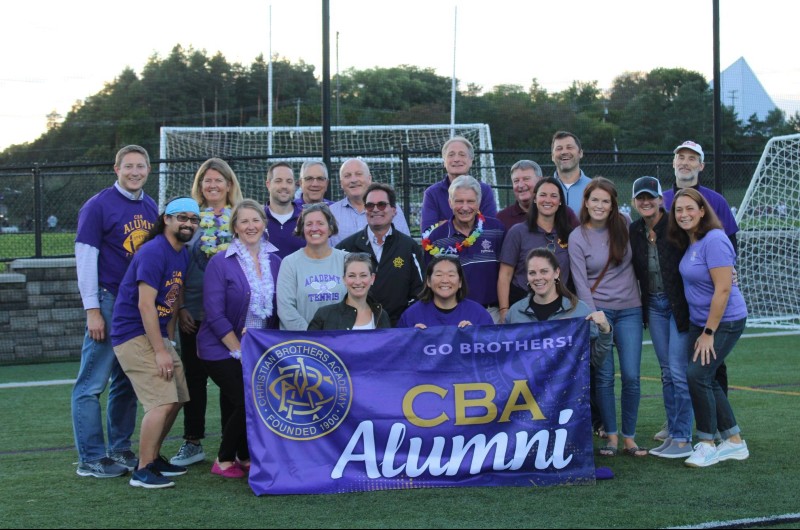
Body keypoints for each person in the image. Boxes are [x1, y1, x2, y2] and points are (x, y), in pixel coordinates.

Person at [72, 145, 158, 478]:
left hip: (136, 305)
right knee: (91, 384)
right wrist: (92, 309)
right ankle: (90, 458)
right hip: (108, 302)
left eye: (140, 166)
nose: (135, 172)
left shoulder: (150, 206)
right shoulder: (97, 206)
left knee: (126, 380)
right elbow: (85, 259)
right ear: (116, 169)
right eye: (129, 166)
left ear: (148, 170)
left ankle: (119, 449)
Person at [111, 197, 200, 488]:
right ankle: (142, 470)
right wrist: (161, 351)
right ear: (167, 219)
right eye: (181, 218)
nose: (188, 223)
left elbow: (173, 299)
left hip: (157, 334)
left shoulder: (182, 253)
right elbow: (146, 306)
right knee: (161, 401)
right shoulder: (153, 251)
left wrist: (168, 341)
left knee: (179, 398)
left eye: (193, 219)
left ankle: (153, 457)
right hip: (133, 333)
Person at [197, 199, 281, 478]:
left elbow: (277, 312)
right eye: (243, 221)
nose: (251, 226)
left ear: (264, 224)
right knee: (248, 400)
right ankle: (223, 459)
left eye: (255, 220)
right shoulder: (220, 262)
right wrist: (238, 348)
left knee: (253, 399)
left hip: (258, 347)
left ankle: (244, 456)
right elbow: (214, 313)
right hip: (220, 347)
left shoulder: (277, 261)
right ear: (234, 227)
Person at [668, 188, 749, 467]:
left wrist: (709, 333)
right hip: (699, 320)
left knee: (697, 375)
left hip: (723, 322)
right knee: (708, 377)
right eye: (679, 210)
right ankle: (734, 441)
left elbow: (724, 289)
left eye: (690, 208)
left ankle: (706, 443)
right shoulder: (692, 240)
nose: (684, 214)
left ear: (703, 210)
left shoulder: (714, 239)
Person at [170, 158, 243, 468]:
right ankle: (192, 441)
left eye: (218, 180)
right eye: (206, 181)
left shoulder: (240, 218)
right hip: (195, 312)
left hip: (231, 316)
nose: (212, 185)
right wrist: (182, 306)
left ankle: (233, 443)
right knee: (194, 379)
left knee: (231, 382)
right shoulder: (190, 220)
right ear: (199, 186)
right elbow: (177, 268)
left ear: (229, 184)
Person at [568, 177, 646, 457]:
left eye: (606, 201)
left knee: (631, 376)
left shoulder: (624, 224)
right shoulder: (578, 237)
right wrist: (597, 319)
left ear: (613, 205)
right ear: (586, 202)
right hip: (599, 314)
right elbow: (580, 284)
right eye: (594, 200)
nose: (600, 206)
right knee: (603, 377)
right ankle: (611, 437)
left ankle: (629, 437)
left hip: (630, 310)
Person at [662, 140, 739, 410]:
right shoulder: (661, 200)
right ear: (673, 163)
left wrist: (730, 271)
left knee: (711, 361)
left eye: (692, 158)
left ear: (701, 165)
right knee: (674, 366)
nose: (685, 162)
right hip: (673, 295)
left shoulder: (715, 200)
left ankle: (719, 421)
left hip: (705, 296)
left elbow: (730, 243)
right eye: (680, 157)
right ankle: (678, 422)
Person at [629, 177, 694, 459]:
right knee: (667, 371)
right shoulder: (633, 230)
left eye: (651, 197)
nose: (646, 202)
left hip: (679, 305)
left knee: (679, 372)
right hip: (653, 305)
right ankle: (672, 427)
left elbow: (699, 250)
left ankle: (683, 438)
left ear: (660, 200)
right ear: (634, 202)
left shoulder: (676, 224)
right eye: (640, 198)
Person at [335, 182, 425, 326]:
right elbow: (337, 289)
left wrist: (404, 321)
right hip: (355, 330)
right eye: (370, 205)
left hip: (398, 329)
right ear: (365, 210)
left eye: (382, 204)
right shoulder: (346, 248)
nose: (375, 209)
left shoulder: (409, 247)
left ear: (394, 210)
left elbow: (420, 291)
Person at [506, 248, 612, 367]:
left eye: (544, 271)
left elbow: (595, 361)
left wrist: (605, 331)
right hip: (526, 385)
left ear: (556, 273)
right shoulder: (515, 312)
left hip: (568, 385)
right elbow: (507, 359)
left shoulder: (579, 310)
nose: (538, 277)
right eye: (532, 273)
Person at [422, 175, 505, 322]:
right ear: (450, 203)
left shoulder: (496, 229)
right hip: (453, 315)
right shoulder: (436, 238)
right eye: (459, 201)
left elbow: (506, 273)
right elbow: (430, 281)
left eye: (470, 201)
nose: (465, 207)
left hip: (491, 313)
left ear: (478, 203)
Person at [498, 177, 579, 323]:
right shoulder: (518, 232)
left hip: (561, 309)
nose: (548, 200)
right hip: (524, 307)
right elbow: (505, 275)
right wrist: (504, 310)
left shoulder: (569, 234)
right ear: (535, 199)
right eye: (543, 195)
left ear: (560, 201)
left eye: (554, 196)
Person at [277, 203, 348, 330]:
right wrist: (312, 337)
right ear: (302, 229)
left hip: (341, 341)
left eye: (320, 223)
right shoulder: (290, 263)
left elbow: (358, 302)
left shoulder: (346, 260)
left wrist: (338, 337)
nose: (314, 228)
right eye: (309, 224)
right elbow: (286, 310)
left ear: (330, 228)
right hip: (303, 343)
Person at [328, 158, 412, 246]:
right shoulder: (331, 212)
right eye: (347, 176)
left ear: (369, 179)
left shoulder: (390, 208)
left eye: (358, 174)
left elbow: (405, 246)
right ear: (341, 183)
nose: (353, 180)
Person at [420, 136, 497, 231]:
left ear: (471, 161)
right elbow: (427, 232)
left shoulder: (484, 191)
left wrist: (444, 225)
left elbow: (490, 228)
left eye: (462, 155)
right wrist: (470, 225)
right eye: (451, 155)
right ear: (444, 161)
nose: (456, 159)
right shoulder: (432, 193)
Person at [397, 254, 493, 329]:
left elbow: (491, 348)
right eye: (439, 275)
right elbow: (399, 350)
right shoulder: (411, 315)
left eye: (451, 275)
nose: (445, 280)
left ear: (460, 282)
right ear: (428, 281)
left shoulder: (478, 313)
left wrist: (475, 335)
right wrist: (411, 338)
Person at [308, 252, 391, 330]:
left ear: (372, 279)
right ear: (344, 279)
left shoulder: (381, 315)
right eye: (352, 276)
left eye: (363, 275)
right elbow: (311, 344)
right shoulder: (324, 315)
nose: (358, 282)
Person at [264, 162, 304, 259]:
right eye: (278, 181)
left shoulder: (306, 217)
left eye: (289, 181)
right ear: (268, 184)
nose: (284, 186)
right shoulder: (257, 218)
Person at [496, 160, 544, 231]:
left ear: (540, 181)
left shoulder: (557, 214)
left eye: (526, 179)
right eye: (516, 181)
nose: (520, 185)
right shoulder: (501, 219)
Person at [551, 131, 592, 213]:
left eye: (569, 147)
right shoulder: (543, 189)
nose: (564, 152)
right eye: (559, 149)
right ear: (552, 156)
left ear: (580, 153)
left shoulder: (594, 187)